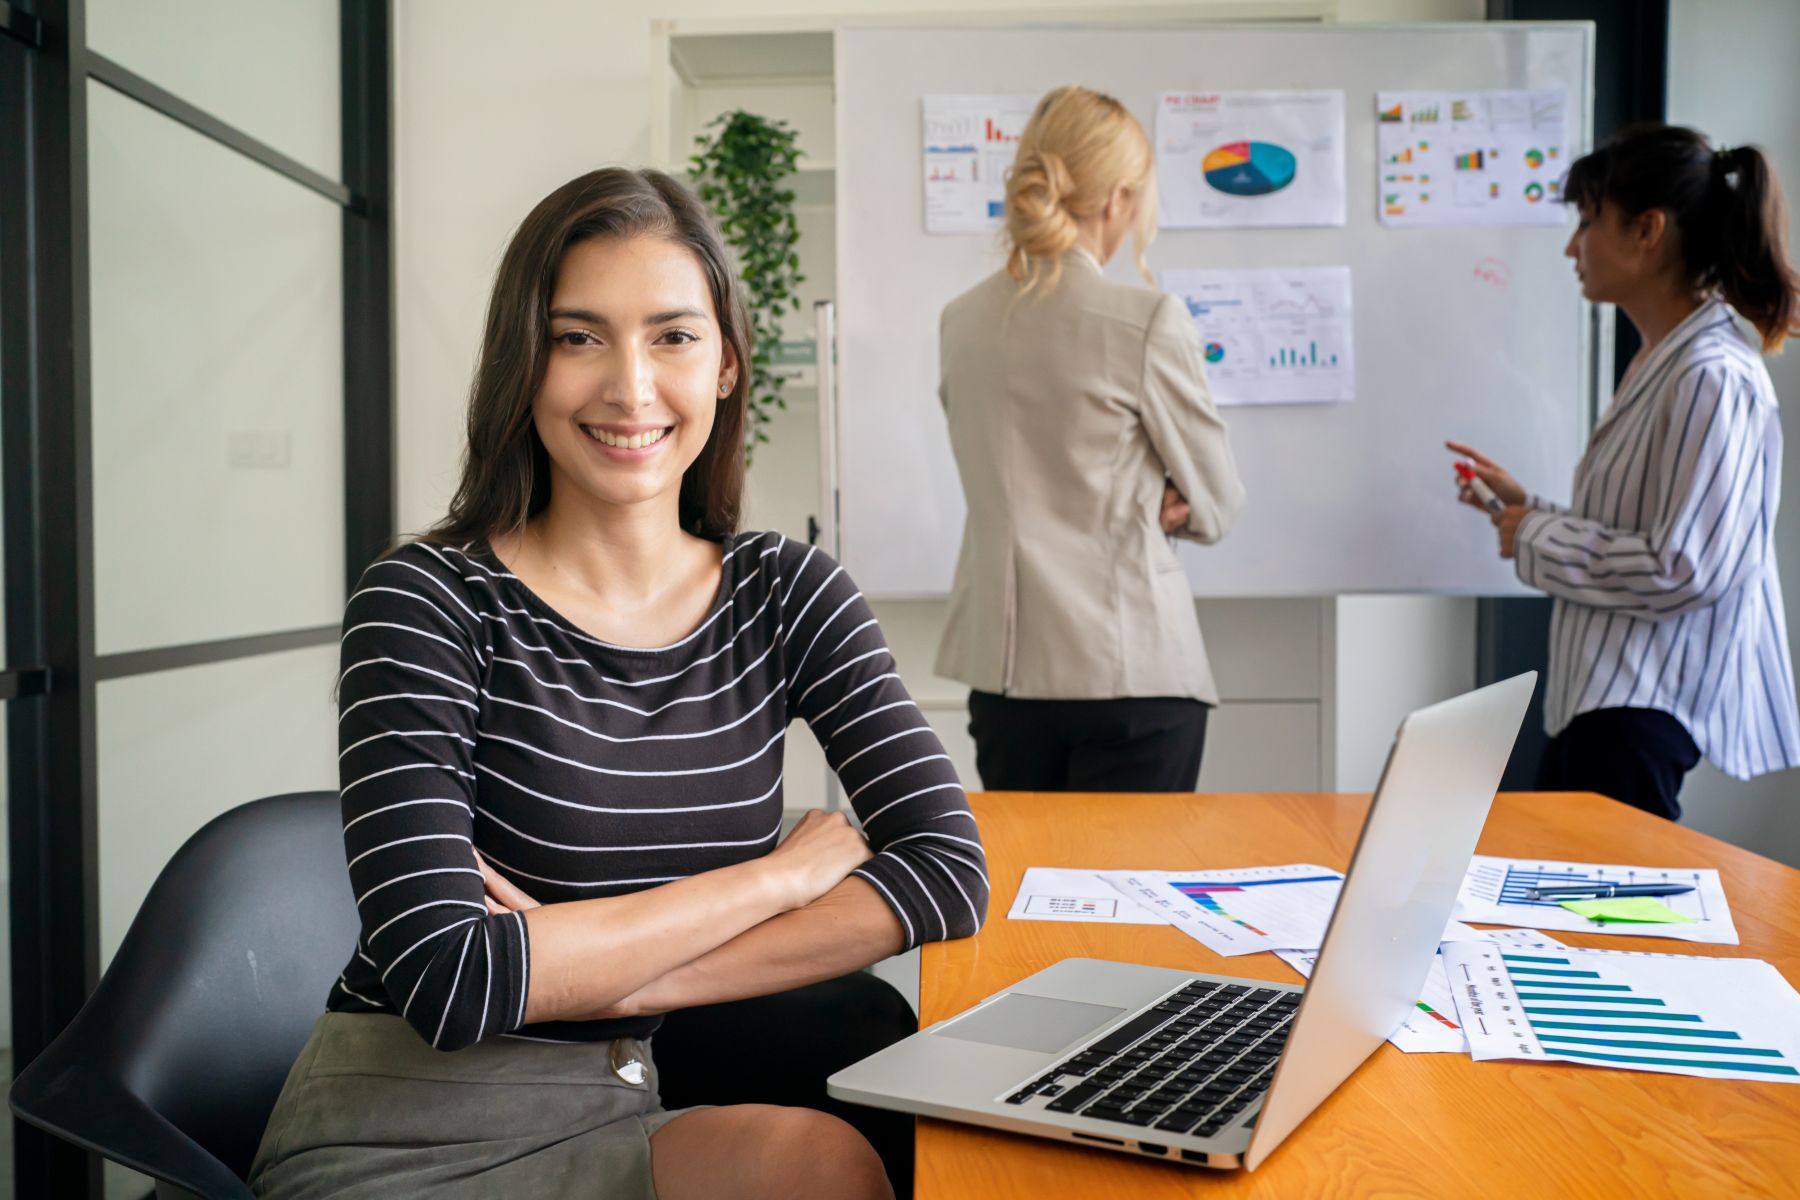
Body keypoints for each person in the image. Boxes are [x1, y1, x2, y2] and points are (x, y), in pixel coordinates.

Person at [249, 168, 988, 1199]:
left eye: (673, 337)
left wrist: (618, 976)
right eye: (579, 337)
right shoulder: (427, 601)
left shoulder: (786, 592)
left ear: (727, 366)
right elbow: (447, 977)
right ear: (524, 363)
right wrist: (769, 881)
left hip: (634, 1085)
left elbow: (948, 872)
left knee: (829, 1161)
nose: (630, 388)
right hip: (413, 1121)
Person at [1450, 123, 1800, 820]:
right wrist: (1532, 511)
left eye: (1587, 222)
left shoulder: (1710, 374)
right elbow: (1642, 531)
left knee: (1604, 924)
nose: (1571, 247)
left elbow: (1686, 568)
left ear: (1648, 230)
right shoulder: (1663, 361)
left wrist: (1536, 536)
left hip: (1639, 710)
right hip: (1607, 700)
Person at [934, 85, 1246, 794]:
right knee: (1128, 902)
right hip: (1132, 673)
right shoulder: (1147, 320)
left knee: (1027, 899)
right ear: (1118, 200)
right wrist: (1168, 498)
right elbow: (1219, 503)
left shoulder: (961, 322)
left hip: (1006, 682)